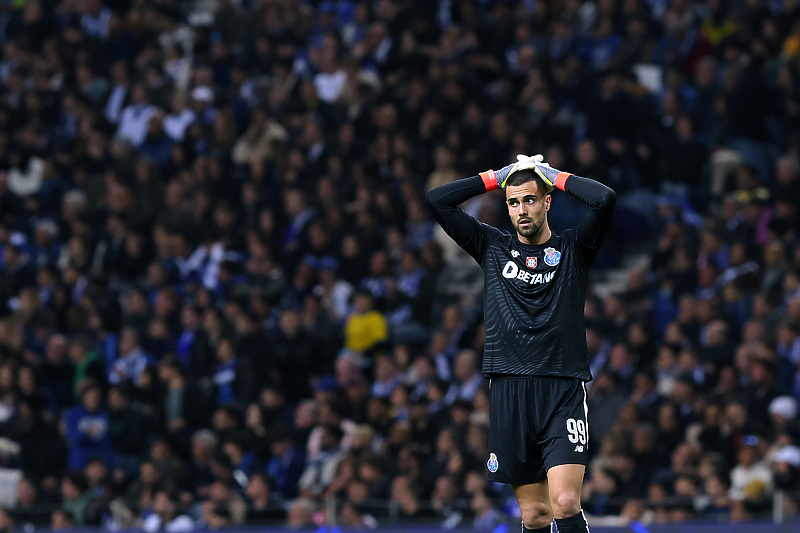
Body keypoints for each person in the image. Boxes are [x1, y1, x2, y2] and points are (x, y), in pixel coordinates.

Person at [426, 154, 616, 533]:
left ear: (546, 202)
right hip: (509, 389)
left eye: (530, 199)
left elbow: (604, 198)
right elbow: (437, 200)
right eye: (513, 202)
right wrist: (496, 178)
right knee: (534, 515)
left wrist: (553, 176)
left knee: (564, 502)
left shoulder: (574, 249)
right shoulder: (491, 246)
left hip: (561, 387)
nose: (521, 210)